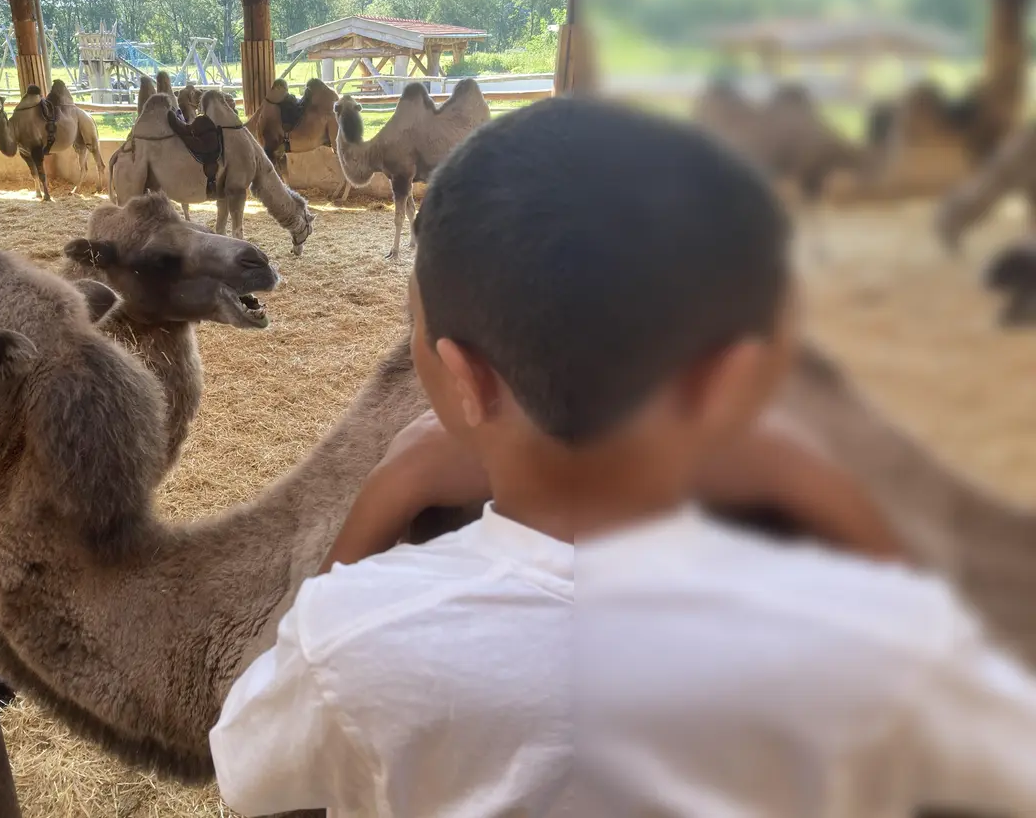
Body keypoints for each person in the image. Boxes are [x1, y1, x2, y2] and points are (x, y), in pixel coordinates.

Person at [207, 97, 1036, 817]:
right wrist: (821, 484)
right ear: (731, 380)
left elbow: (246, 769)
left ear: (459, 378)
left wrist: (389, 489)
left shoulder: (353, 636)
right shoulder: (870, 635)